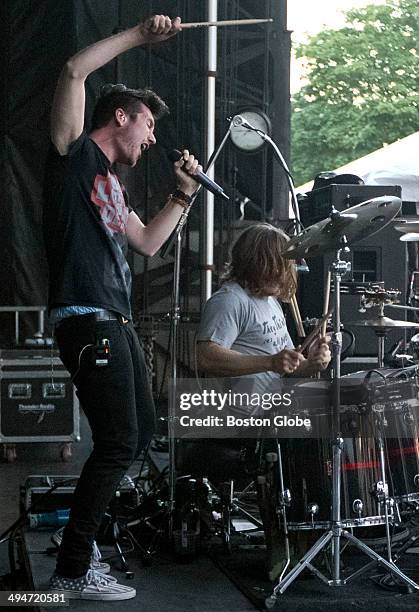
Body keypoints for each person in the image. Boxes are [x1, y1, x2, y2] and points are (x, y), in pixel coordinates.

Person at [43, 15, 201, 600]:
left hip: (116, 322)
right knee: (115, 443)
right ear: (121, 116)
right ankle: (74, 567)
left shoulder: (113, 184)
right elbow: (74, 68)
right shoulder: (75, 154)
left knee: (138, 438)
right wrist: (142, 36)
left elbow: (148, 242)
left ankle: (83, 551)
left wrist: (183, 192)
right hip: (86, 319)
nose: (154, 138)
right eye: (149, 124)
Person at [195, 222, 331, 579]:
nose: (288, 271)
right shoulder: (230, 301)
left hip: (273, 412)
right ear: (261, 262)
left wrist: (310, 365)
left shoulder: (269, 302)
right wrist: (269, 361)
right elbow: (206, 358)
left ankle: (316, 536)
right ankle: (285, 546)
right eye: (281, 263)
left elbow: (284, 370)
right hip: (240, 420)